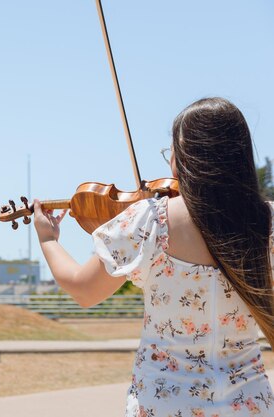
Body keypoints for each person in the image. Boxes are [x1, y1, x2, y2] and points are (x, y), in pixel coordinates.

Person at [33, 97, 274, 416]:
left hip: (163, 405)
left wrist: (48, 238)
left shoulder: (150, 221)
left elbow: (83, 289)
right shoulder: (268, 224)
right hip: (250, 406)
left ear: (181, 158)